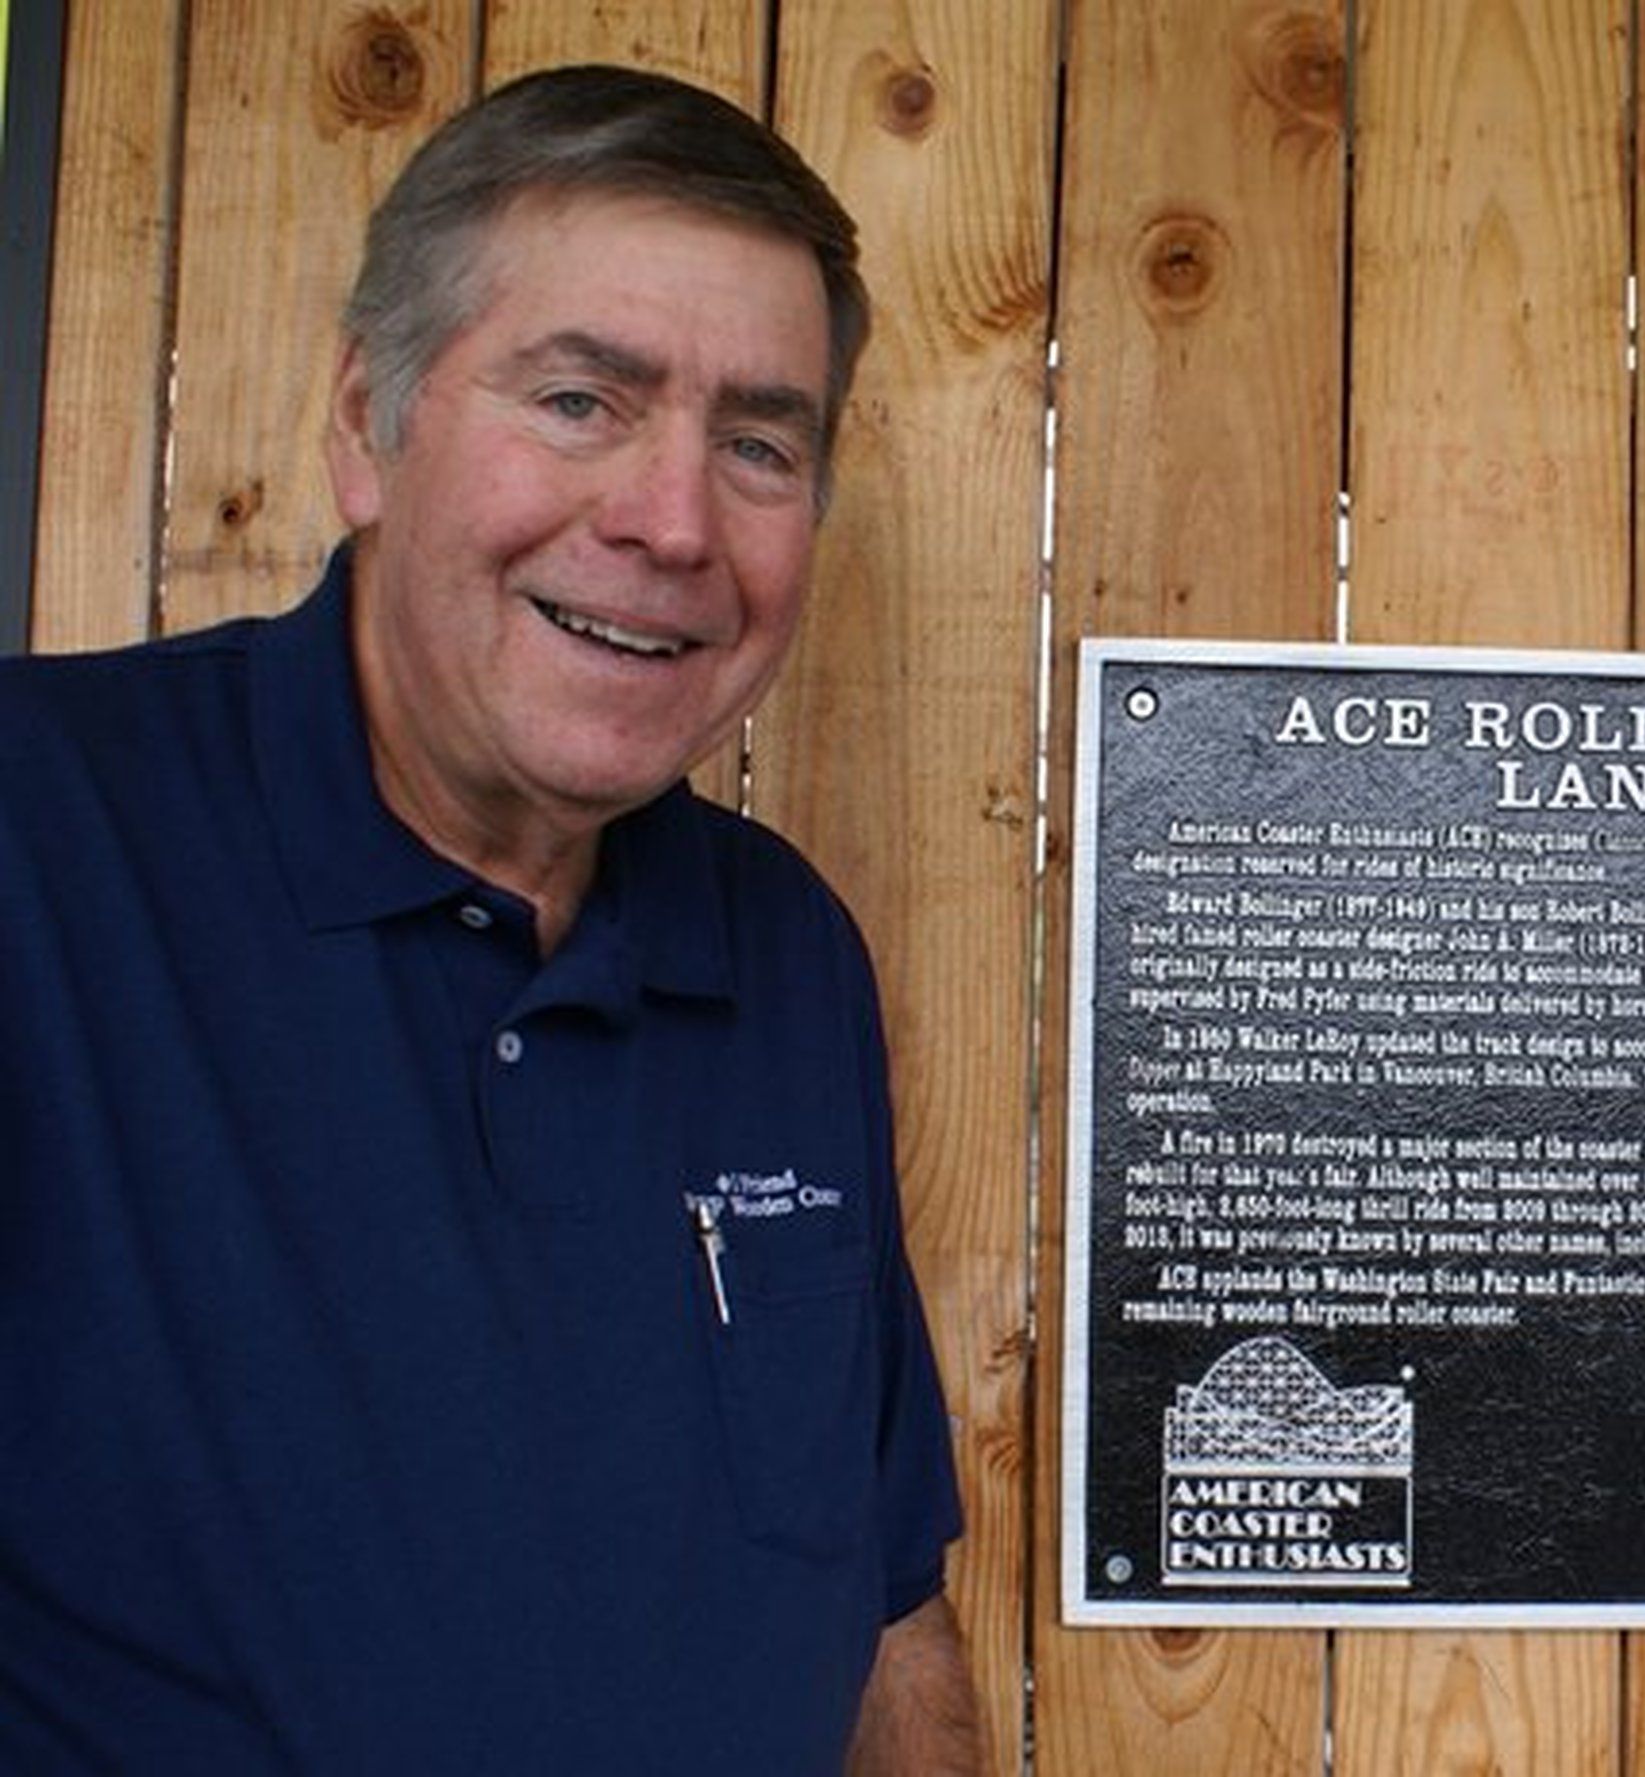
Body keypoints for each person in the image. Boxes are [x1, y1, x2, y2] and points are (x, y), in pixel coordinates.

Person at [0, 65, 980, 1773]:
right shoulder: (37, 837)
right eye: (583, 400)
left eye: (758, 441)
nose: (671, 522)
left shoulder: (787, 955)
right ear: (362, 421)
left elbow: (886, 1606)